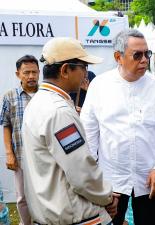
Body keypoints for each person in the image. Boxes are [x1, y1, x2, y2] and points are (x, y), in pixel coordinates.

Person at [80, 29, 155, 225]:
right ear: (118, 57)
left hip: (149, 176)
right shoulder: (99, 86)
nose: (144, 60)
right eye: (137, 55)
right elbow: (89, 134)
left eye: (147, 54)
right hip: (111, 178)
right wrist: (93, 178)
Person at [21, 37, 118, 225]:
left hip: (51, 212)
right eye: (83, 68)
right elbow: (81, 170)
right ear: (65, 70)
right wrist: (107, 196)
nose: (86, 75)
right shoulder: (58, 111)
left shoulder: (39, 102)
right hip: (73, 215)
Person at [0, 54, 39, 225]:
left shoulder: (46, 94)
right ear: (18, 74)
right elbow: (6, 125)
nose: (31, 76)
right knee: (22, 197)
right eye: (26, 72)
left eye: (34, 72)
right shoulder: (9, 96)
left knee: (44, 195)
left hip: (44, 156)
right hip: (21, 156)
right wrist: (9, 153)